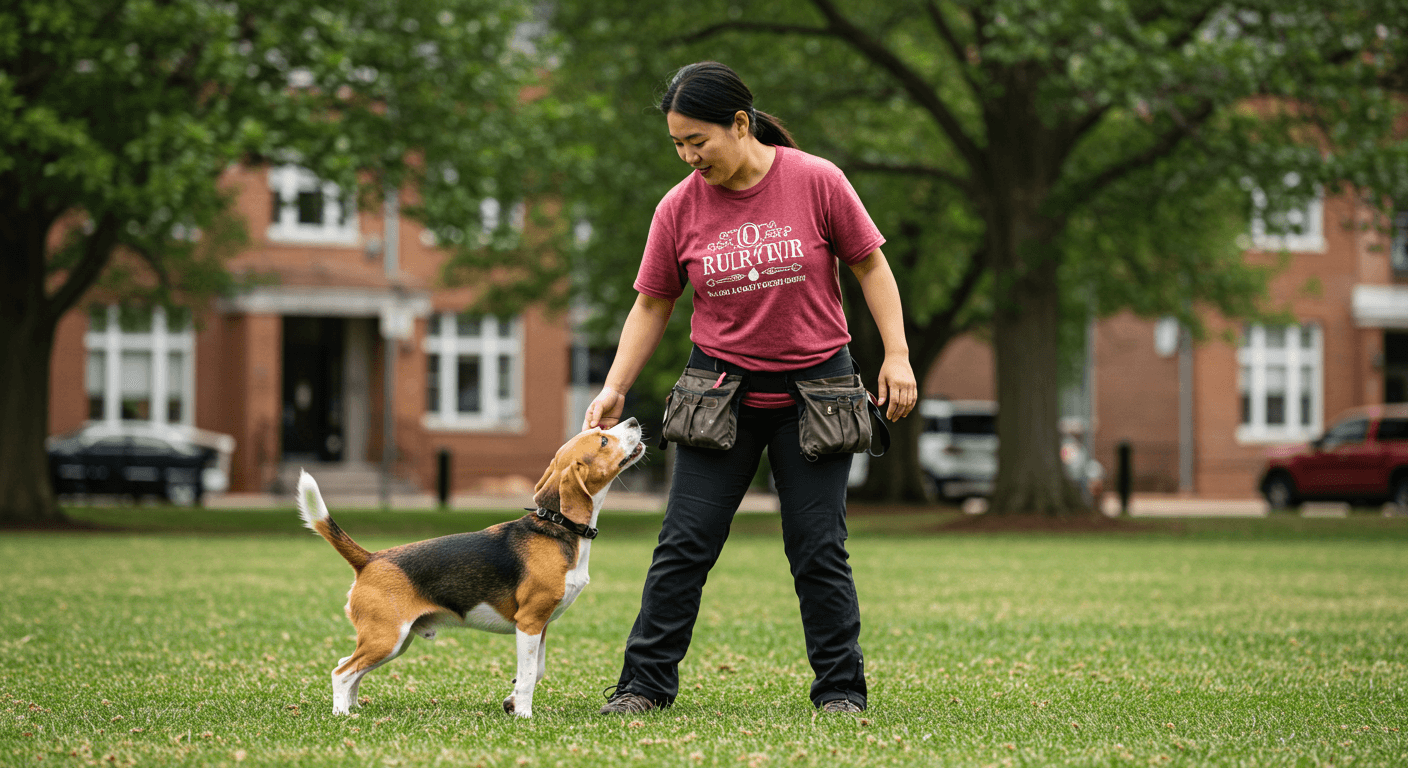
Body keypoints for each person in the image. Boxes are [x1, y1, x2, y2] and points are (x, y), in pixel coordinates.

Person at [583, 61, 917, 715]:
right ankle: (643, 686)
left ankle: (841, 691)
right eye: (677, 144)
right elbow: (652, 304)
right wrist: (614, 386)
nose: (687, 156)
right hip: (719, 396)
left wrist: (897, 355)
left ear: (740, 123)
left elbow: (871, 265)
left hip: (816, 396)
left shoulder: (817, 181)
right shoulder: (678, 207)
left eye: (696, 141)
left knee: (818, 547)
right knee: (684, 544)